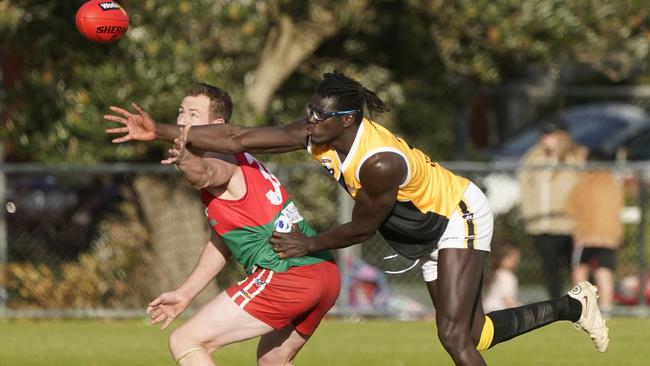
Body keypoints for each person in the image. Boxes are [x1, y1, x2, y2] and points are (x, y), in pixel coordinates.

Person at [105, 72, 609, 365]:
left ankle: (571, 307)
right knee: (471, 334)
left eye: (320, 116)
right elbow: (237, 137)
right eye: (309, 112)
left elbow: (363, 229)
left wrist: (307, 244)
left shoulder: (379, 160)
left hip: (455, 214)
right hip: (422, 227)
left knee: (454, 339)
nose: (311, 121)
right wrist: (160, 131)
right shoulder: (321, 132)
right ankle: (572, 306)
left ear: (348, 120)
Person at [109, 83, 340, 366]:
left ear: (217, 125)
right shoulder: (241, 157)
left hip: (287, 276)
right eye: (181, 112)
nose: (182, 120)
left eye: (193, 114)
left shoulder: (219, 156)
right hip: (323, 273)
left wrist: (185, 159)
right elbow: (222, 240)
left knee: (185, 341)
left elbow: (206, 174)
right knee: (273, 360)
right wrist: (185, 294)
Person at [517, 120, 588, 298]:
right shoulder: (535, 158)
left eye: (550, 135)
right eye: (544, 135)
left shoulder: (574, 158)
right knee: (551, 268)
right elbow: (524, 181)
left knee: (576, 266)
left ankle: (583, 304)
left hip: (568, 224)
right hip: (541, 223)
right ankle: (556, 306)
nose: (545, 139)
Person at [565, 149, 624, 317]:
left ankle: (581, 310)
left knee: (579, 272)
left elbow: (569, 207)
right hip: (609, 236)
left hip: (586, 235)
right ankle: (606, 310)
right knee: (604, 275)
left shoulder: (583, 182)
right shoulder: (613, 183)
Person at [482, 243, 521, 313]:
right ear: (501, 258)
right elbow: (507, 299)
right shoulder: (507, 276)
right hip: (498, 311)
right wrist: (519, 311)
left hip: (487, 310)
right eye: (512, 258)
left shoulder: (495, 273)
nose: (515, 261)